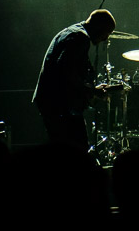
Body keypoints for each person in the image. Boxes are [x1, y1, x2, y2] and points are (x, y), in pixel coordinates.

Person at [33, 9, 117, 151]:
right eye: (107, 33)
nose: (105, 39)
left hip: (51, 101)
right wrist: (91, 90)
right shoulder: (80, 37)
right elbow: (66, 70)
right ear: (99, 26)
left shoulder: (72, 31)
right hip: (59, 104)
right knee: (76, 151)